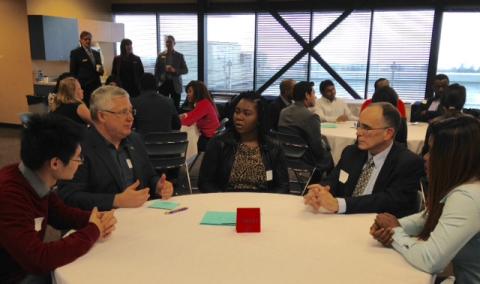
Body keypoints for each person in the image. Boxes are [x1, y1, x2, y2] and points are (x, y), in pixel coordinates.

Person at [0, 114, 116, 283]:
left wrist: (94, 219)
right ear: (55, 163)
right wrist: (93, 230)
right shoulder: (9, 195)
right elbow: (39, 259)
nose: (80, 162)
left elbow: (60, 214)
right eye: (78, 157)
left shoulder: (34, 178)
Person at [370, 115, 480, 284]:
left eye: (433, 151)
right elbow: (428, 218)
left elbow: (430, 261)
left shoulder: (467, 196)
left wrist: (395, 232)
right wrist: (392, 227)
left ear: (454, 157)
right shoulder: (469, 183)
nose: (426, 157)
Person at [57, 86, 174, 211]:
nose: (131, 118)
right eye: (123, 112)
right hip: (103, 222)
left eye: (131, 111)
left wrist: (158, 186)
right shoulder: (80, 147)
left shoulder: (135, 140)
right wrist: (115, 200)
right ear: (102, 116)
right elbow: (69, 196)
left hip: (141, 216)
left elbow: (149, 176)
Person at [304, 103, 424, 217]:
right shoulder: (351, 153)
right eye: (359, 126)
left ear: (388, 133)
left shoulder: (408, 162)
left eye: (366, 128)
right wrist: (319, 191)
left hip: (379, 229)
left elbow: (388, 201)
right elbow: (334, 180)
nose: (358, 132)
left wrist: (339, 204)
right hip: (341, 221)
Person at [199, 92, 289, 193]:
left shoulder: (273, 147)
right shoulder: (219, 143)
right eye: (237, 112)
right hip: (227, 202)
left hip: (262, 203)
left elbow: (283, 186)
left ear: (259, 118)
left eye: (247, 113)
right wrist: (222, 199)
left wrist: (267, 203)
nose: (239, 117)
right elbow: (205, 182)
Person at [278, 81, 333, 174]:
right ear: (307, 95)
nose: (315, 97)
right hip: (306, 160)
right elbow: (317, 150)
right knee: (331, 156)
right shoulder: (311, 117)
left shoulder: (283, 112)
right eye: (314, 93)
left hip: (286, 157)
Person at [420, 83, 466, 156]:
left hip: (438, 165)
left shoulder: (435, 124)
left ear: (442, 102)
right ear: (463, 102)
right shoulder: (474, 123)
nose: (440, 89)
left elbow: (426, 151)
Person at [179, 80, 220, 152]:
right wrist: (185, 115)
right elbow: (192, 114)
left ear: (197, 92)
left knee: (185, 138)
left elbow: (188, 121)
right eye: (187, 92)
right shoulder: (204, 102)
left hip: (208, 140)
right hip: (211, 138)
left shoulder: (203, 104)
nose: (187, 94)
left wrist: (175, 120)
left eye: (190, 91)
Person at [69, 31, 104, 106]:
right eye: (85, 39)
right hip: (84, 87)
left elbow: (100, 68)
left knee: (97, 106)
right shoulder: (75, 53)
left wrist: (101, 70)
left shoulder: (96, 53)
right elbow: (72, 72)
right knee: (87, 107)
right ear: (81, 40)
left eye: (89, 39)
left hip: (96, 86)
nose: (88, 41)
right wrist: (76, 87)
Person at [154, 35, 188, 110]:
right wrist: (156, 84)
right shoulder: (160, 55)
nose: (168, 44)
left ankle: (175, 121)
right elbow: (156, 71)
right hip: (163, 84)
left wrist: (175, 70)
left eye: (170, 42)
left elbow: (185, 70)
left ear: (174, 43)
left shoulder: (179, 56)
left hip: (175, 84)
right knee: (163, 106)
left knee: (175, 107)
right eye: (167, 42)